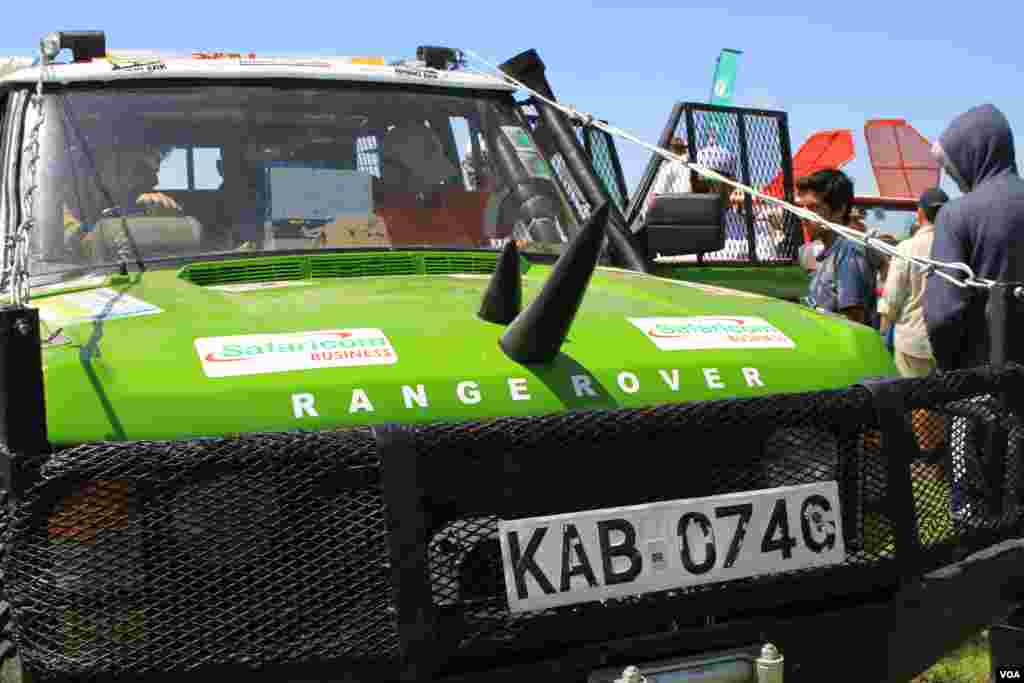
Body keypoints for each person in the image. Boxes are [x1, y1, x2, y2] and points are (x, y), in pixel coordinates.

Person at [925, 103, 1024, 371]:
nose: (954, 179)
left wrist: (951, 370)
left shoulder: (956, 214)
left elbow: (942, 315)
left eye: (952, 169)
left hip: (986, 387)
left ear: (971, 157)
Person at [878, 187, 948, 376]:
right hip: (949, 342)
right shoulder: (956, 245)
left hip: (912, 342)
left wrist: (881, 335)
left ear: (920, 213)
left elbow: (892, 299)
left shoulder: (907, 247)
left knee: (913, 402)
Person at [797, 169, 878, 326]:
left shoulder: (849, 252)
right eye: (803, 208)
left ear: (839, 210)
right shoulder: (827, 251)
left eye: (813, 208)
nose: (803, 216)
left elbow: (853, 323)